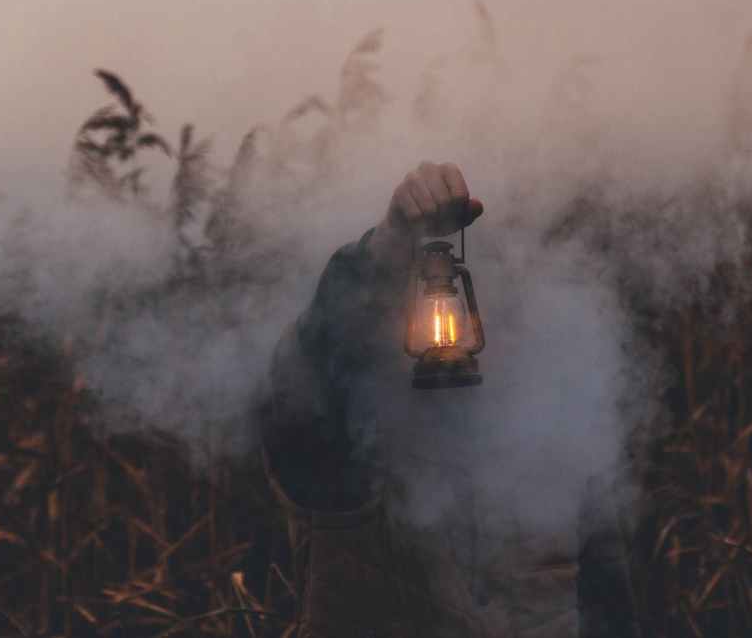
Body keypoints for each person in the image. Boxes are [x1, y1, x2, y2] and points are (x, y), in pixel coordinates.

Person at [257, 162, 641, 637]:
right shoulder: (356, 428)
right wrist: (384, 250)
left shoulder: (558, 434)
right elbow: (293, 408)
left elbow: (611, 612)